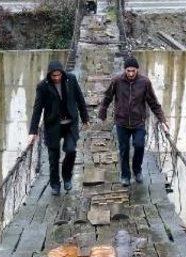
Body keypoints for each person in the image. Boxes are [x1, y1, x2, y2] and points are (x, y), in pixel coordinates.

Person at [98, 57, 168, 186]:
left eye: (133, 71)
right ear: (125, 70)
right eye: (128, 71)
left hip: (138, 122)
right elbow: (107, 97)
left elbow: (153, 103)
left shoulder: (144, 82)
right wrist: (103, 112)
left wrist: (162, 120)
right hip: (121, 122)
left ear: (137, 70)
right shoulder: (117, 81)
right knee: (124, 149)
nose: (130, 74)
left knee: (139, 145)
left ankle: (137, 170)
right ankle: (125, 175)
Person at [28, 60, 89, 195]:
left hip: (70, 124)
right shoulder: (43, 86)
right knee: (53, 157)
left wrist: (85, 118)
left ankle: (67, 177)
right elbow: (37, 109)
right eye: (53, 76)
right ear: (49, 75)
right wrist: (32, 132)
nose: (56, 78)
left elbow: (80, 99)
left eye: (58, 75)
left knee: (71, 150)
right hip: (52, 126)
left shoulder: (71, 80)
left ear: (62, 73)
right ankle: (55, 184)